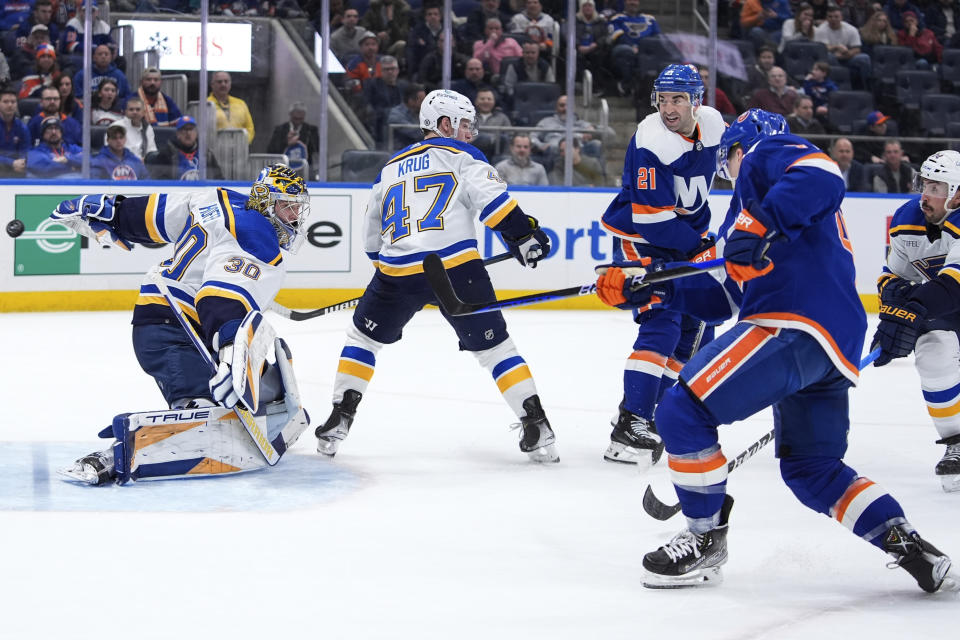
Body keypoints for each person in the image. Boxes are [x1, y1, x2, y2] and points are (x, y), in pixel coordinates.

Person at [600, 108, 959, 594]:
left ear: (739, 149)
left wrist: (757, 223)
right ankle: (909, 544)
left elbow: (824, 174)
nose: (726, 172)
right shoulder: (747, 214)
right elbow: (721, 299)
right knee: (812, 469)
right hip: (829, 342)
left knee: (682, 411)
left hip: (794, 322)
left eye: (727, 159)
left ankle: (705, 539)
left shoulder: (768, 155)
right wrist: (649, 291)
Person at [315, 89, 558, 464]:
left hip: (396, 272)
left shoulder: (389, 167)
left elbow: (371, 236)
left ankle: (340, 416)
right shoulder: (462, 157)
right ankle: (536, 423)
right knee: (496, 350)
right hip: (457, 268)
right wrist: (522, 235)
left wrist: (388, 273)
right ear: (444, 124)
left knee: (363, 338)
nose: (469, 133)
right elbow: (492, 201)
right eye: (464, 124)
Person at [54, 164, 312, 485]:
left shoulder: (215, 199)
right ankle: (111, 457)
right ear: (263, 200)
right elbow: (219, 298)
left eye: (297, 208)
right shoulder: (257, 237)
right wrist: (233, 349)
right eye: (287, 206)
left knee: (253, 396)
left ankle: (254, 398)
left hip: (171, 317)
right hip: (174, 328)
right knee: (202, 412)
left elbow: (156, 214)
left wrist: (113, 212)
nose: (294, 217)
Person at [597, 64, 726, 466]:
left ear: (696, 101)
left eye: (678, 99)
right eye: (663, 99)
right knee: (663, 322)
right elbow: (652, 221)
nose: (668, 108)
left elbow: (734, 168)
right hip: (643, 240)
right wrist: (700, 247)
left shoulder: (713, 126)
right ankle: (632, 421)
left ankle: (656, 417)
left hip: (685, 240)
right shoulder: (651, 140)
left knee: (692, 332)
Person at [871, 150, 960, 493]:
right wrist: (894, 315)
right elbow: (891, 278)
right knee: (931, 354)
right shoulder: (906, 219)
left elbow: (953, 286)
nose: (925, 193)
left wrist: (908, 312)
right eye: (924, 183)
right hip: (948, 314)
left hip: (950, 301)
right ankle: (956, 441)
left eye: (936, 186)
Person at [607, 0, 661, 96]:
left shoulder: (649, 19)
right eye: (630, 0)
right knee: (625, 51)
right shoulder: (617, 18)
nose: (633, 3)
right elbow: (618, 37)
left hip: (647, 50)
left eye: (635, 0)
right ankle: (626, 84)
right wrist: (633, 47)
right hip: (626, 48)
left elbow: (658, 37)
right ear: (625, 2)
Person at [147, 115, 224, 181]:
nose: (188, 133)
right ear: (178, 134)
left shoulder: (207, 154)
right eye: (184, 129)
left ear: (196, 133)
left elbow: (219, 179)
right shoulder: (167, 154)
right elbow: (161, 181)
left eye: (191, 129)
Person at [814, 5, 873, 90]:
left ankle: (867, 89)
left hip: (847, 58)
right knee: (829, 56)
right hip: (830, 59)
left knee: (864, 58)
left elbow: (857, 49)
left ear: (841, 17)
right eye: (830, 17)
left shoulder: (851, 29)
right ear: (826, 18)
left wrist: (847, 54)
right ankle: (838, 84)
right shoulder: (821, 30)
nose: (833, 19)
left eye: (836, 17)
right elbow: (821, 49)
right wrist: (836, 47)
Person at [266, 101, 320, 175]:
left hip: (305, 170)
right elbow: (270, 150)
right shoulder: (280, 129)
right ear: (290, 115)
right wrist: (286, 142)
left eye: (300, 119)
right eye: (295, 119)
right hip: (283, 170)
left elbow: (317, 149)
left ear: (304, 116)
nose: (298, 122)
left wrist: (301, 139)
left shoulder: (311, 130)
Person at [207, 71, 255, 143]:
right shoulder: (205, 105)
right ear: (212, 85)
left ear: (230, 84)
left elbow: (250, 128)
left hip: (239, 149)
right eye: (219, 82)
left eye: (226, 81)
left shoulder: (241, 104)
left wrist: (243, 143)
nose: (223, 84)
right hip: (214, 150)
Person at [115, 97, 157, 161]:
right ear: (126, 112)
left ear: (143, 112)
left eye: (138, 109)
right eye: (131, 109)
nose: (134, 112)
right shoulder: (116, 127)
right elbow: (111, 152)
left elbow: (151, 151)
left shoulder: (148, 128)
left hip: (143, 165)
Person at [386, 83, 426, 150]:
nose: (425, 103)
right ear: (411, 101)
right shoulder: (396, 114)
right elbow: (415, 133)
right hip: (400, 154)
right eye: (422, 100)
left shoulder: (422, 113)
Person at [0, 88, 29, 178]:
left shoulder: (22, 127)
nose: (10, 105)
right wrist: (11, 162)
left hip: (16, 169)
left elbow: (25, 152)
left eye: (13, 102)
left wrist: (22, 162)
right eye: (5, 102)